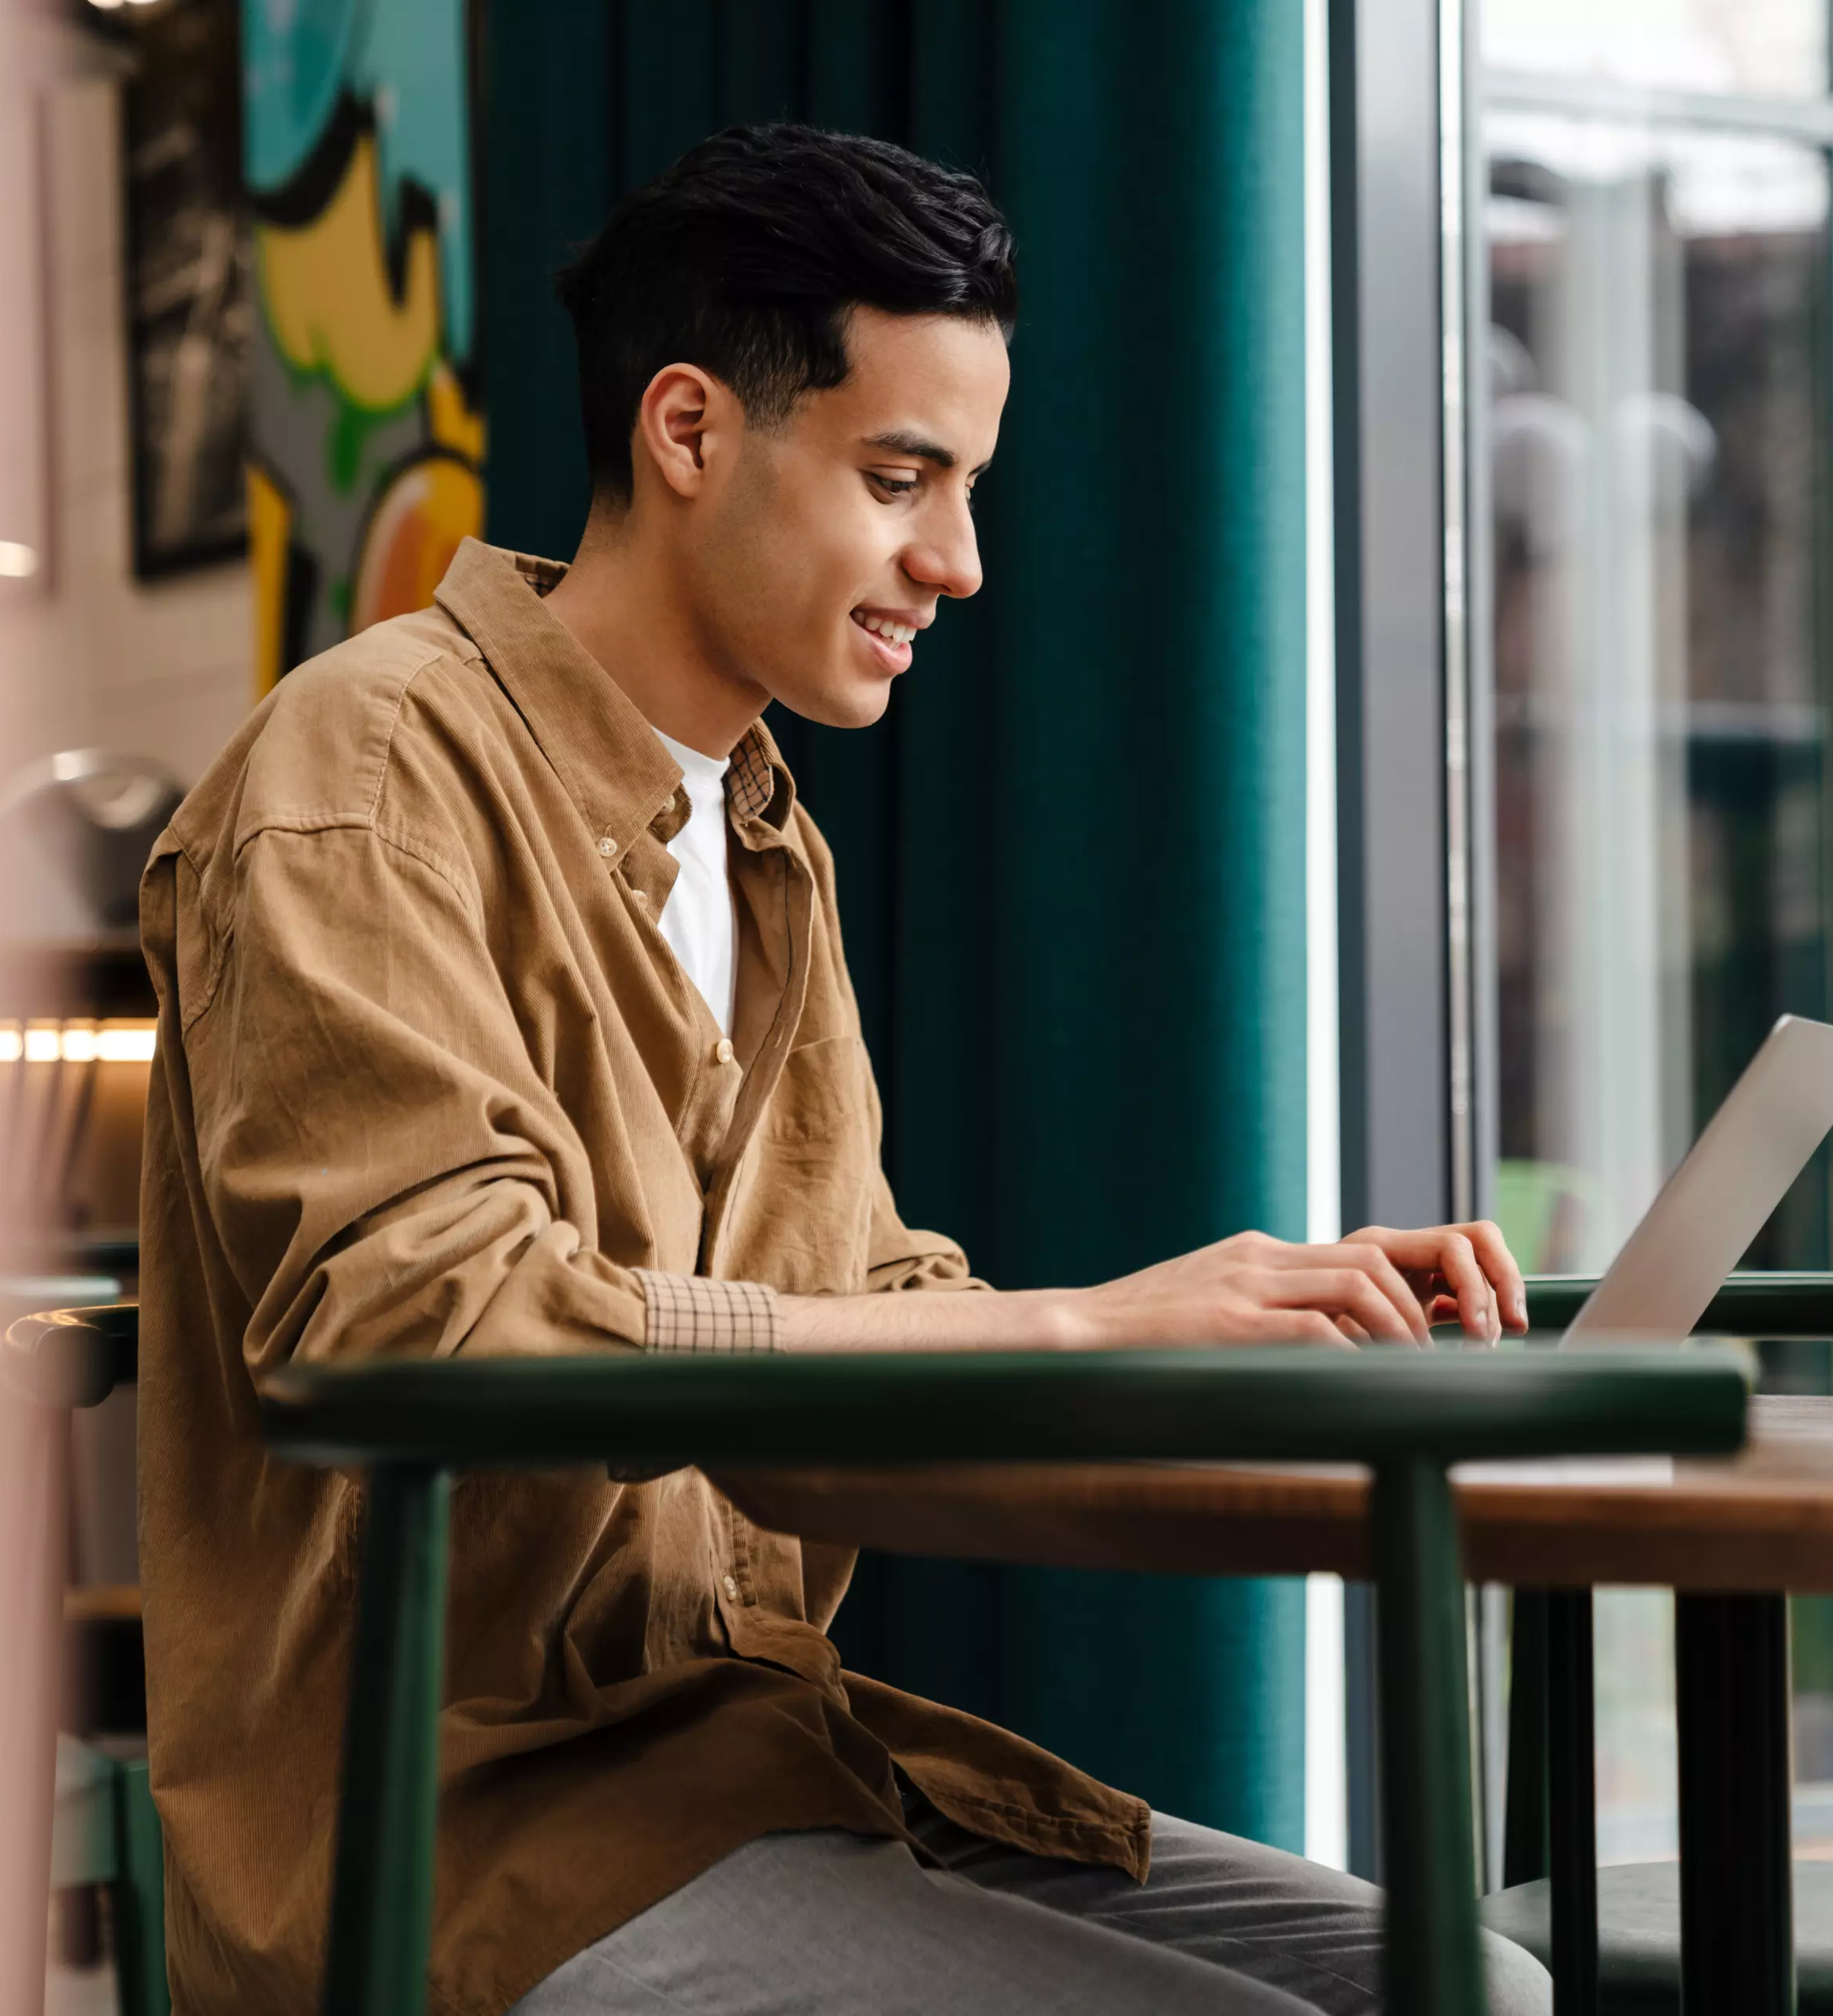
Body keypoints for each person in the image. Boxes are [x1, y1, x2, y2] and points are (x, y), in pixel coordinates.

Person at [136, 124, 1548, 2016]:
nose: (958, 563)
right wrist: (1081, 1332)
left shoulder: (762, 835)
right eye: (904, 479)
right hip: (455, 1838)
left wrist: (1240, 1318)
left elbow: (856, 1294)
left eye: (966, 487)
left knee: (1477, 1985)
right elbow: (436, 1332)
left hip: (756, 1760)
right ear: (691, 430)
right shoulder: (365, 768)